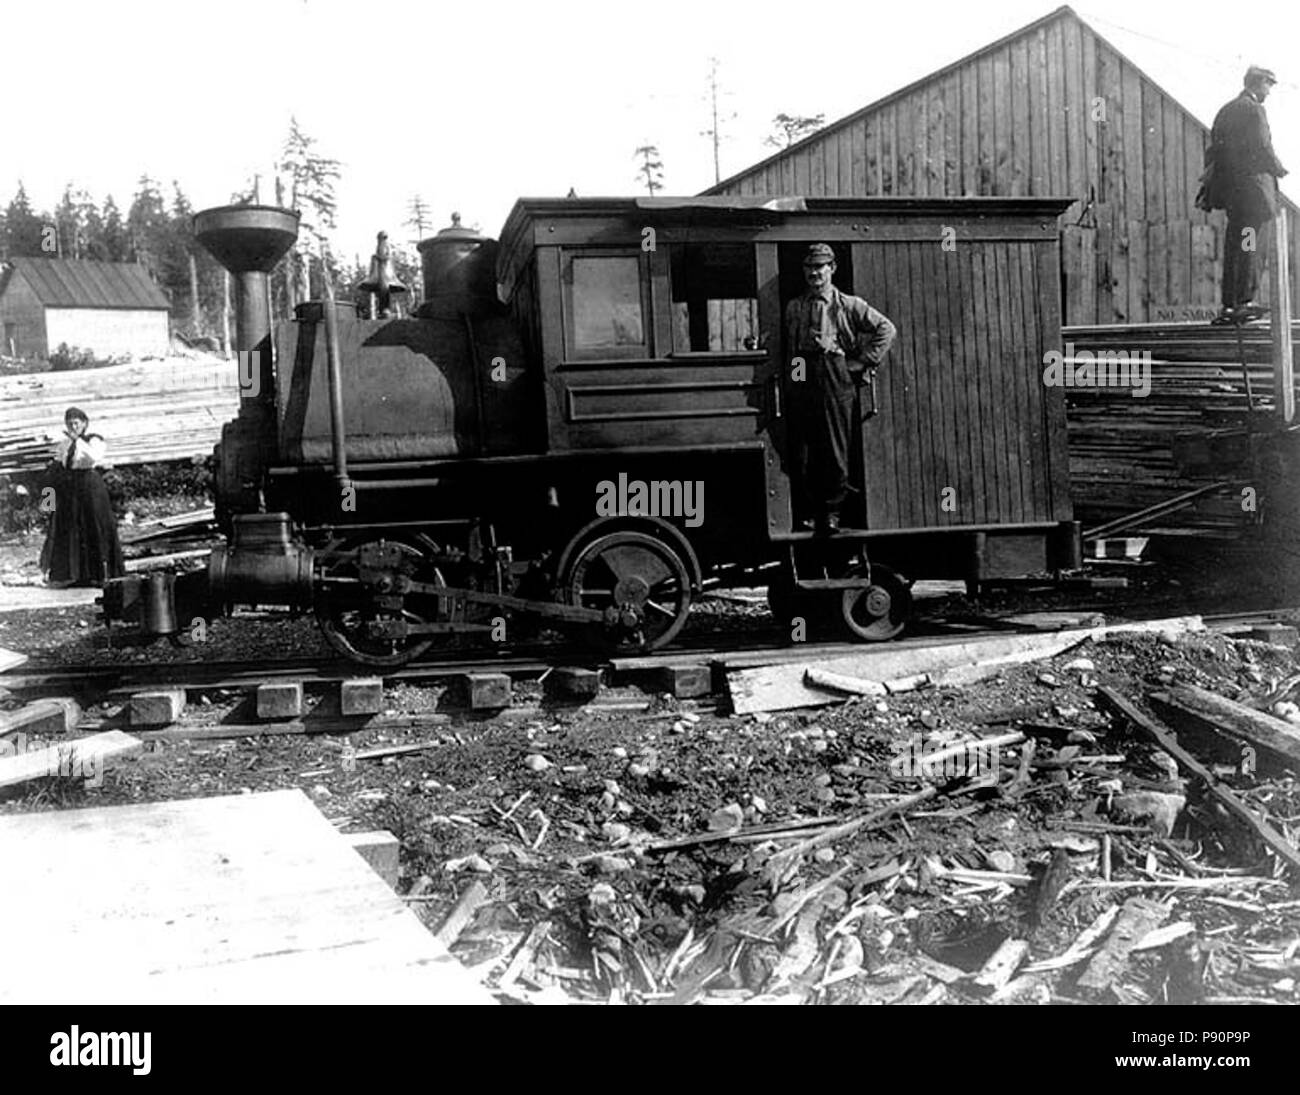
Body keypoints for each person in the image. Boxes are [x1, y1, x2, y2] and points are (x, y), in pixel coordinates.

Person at [784, 243, 896, 535]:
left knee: (835, 449)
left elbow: (886, 329)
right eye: (809, 267)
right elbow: (792, 349)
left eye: (820, 267)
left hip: (836, 377)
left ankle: (833, 513)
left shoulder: (848, 304)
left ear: (832, 269)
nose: (814, 273)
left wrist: (860, 362)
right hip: (803, 378)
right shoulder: (795, 306)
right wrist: (795, 382)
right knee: (804, 451)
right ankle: (810, 512)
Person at [1198, 66, 1288, 324]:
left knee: (1234, 245)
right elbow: (1262, 145)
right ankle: (1245, 300)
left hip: (1233, 195)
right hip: (1253, 195)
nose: (1269, 92)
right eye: (1268, 85)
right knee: (1250, 244)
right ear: (1258, 84)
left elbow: (1214, 150)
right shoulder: (1254, 110)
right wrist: (1278, 168)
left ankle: (1229, 303)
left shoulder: (1225, 110)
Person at [40, 407, 124, 587]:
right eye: (69, 423)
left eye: (76, 423)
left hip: (89, 486)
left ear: (84, 424)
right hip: (71, 487)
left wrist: (78, 440)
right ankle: (74, 575)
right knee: (72, 528)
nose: (73, 426)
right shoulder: (65, 443)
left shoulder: (94, 440)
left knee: (93, 525)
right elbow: (61, 461)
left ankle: (99, 575)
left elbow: (94, 457)